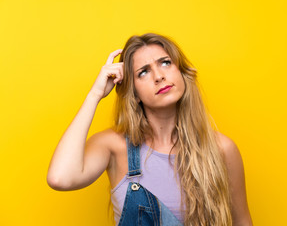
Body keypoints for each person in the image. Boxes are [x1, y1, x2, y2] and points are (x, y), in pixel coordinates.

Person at [47, 33, 253, 226]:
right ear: (134, 93)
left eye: (165, 63)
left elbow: (242, 222)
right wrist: (95, 94)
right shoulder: (114, 145)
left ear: (181, 72)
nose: (159, 76)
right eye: (143, 72)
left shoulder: (222, 149)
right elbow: (60, 178)